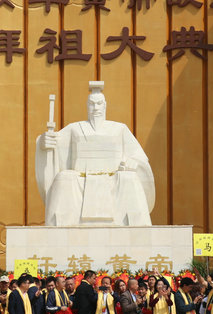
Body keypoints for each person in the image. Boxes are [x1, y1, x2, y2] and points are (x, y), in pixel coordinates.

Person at [35, 81, 156, 226]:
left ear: (105, 105)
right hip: (80, 180)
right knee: (63, 178)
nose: (95, 108)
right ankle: (58, 227)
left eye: (99, 104)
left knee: (129, 178)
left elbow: (139, 157)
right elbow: (53, 146)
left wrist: (133, 162)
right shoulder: (75, 128)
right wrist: (44, 142)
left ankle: (138, 228)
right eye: (92, 104)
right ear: (87, 106)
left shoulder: (119, 129)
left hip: (114, 180)